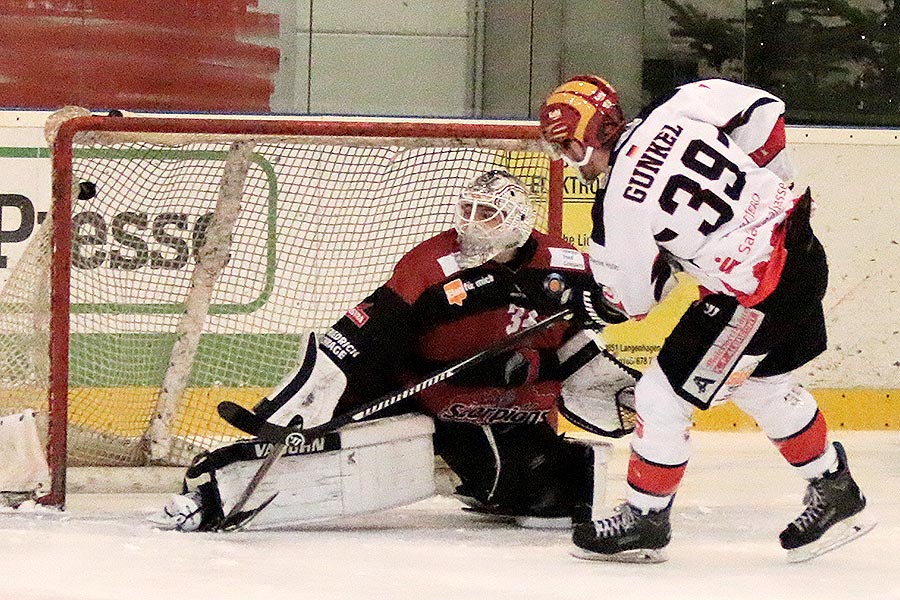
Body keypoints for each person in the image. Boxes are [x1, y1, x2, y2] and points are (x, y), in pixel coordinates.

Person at [152, 169, 636, 532]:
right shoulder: (430, 265)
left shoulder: (567, 266)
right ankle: (214, 491)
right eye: (466, 210)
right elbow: (367, 334)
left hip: (495, 410)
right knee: (340, 445)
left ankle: (507, 485)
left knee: (545, 494)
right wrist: (304, 397)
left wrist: (606, 370)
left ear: (519, 220)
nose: (472, 223)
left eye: (486, 213)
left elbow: (591, 324)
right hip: (417, 388)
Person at [538, 76, 874, 562]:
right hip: (801, 249)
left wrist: (594, 302)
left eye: (570, 145)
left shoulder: (617, 206)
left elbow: (632, 303)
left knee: (660, 396)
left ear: (598, 131)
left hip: (755, 296)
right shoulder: (677, 107)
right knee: (760, 386)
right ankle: (834, 487)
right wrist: (764, 189)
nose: (568, 158)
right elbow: (763, 110)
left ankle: (646, 517)